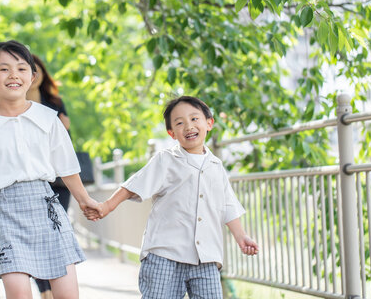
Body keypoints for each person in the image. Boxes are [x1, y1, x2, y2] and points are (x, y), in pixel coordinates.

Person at [0, 40, 101, 299]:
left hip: (46, 207)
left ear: (33, 76)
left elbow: (66, 166)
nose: (13, 75)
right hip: (4, 212)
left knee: (68, 293)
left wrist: (84, 200)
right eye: (4, 69)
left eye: (22, 68)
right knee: (19, 292)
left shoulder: (48, 119)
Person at [86, 96, 259, 299]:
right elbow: (134, 186)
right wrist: (107, 206)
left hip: (206, 258)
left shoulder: (216, 166)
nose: (188, 126)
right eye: (179, 123)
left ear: (209, 123)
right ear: (172, 133)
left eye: (195, 119)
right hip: (164, 254)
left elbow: (227, 205)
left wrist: (241, 237)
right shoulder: (166, 160)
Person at [26, 54, 72, 299]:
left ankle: (54, 288)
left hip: (59, 182)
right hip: (32, 182)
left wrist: (63, 129)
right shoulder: (15, 105)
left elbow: (66, 145)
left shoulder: (55, 102)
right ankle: (44, 290)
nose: (32, 75)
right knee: (36, 235)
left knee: (55, 233)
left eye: (36, 70)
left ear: (42, 73)